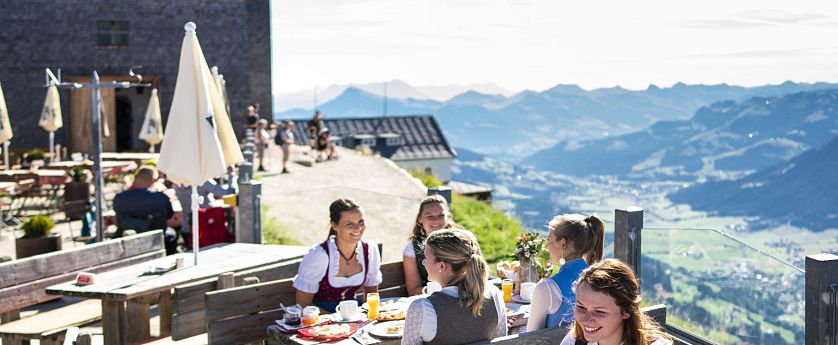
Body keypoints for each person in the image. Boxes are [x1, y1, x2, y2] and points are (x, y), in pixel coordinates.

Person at [402, 229, 507, 345]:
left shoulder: (422, 308)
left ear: (441, 266)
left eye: (425, 258)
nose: (423, 263)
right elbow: (502, 340)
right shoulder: (494, 295)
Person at [293, 198, 382, 312]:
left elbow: (371, 298)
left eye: (361, 222)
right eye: (350, 224)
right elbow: (304, 306)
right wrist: (335, 320)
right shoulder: (319, 255)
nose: (358, 228)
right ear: (334, 225)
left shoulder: (369, 251)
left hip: (354, 315)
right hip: (321, 317)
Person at [561, 259, 672, 345]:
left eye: (599, 311)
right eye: (581, 307)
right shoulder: (573, 341)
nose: (585, 319)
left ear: (626, 311)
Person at [526, 214, 605, 331]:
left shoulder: (546, 288)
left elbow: (530, 337)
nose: (546, 246)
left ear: (563, 244)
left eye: (549, 240)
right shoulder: (601, 280)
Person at [403, 195, 458, 296]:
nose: (436, 220)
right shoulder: (412, 249)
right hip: (432, 299)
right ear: (420, 218)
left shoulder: (459, 241)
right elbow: (413, 291)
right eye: (430, 216)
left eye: (441, 215)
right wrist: (431, 289)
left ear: (448, 217)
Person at [112, 166, 175, 243]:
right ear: (154, 180)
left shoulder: (119, 197)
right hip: (154, 240)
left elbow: (117, 216)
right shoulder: (160, 197)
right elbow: (169, 215)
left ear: (136, 178)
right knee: (172, 233)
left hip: (127, 238)